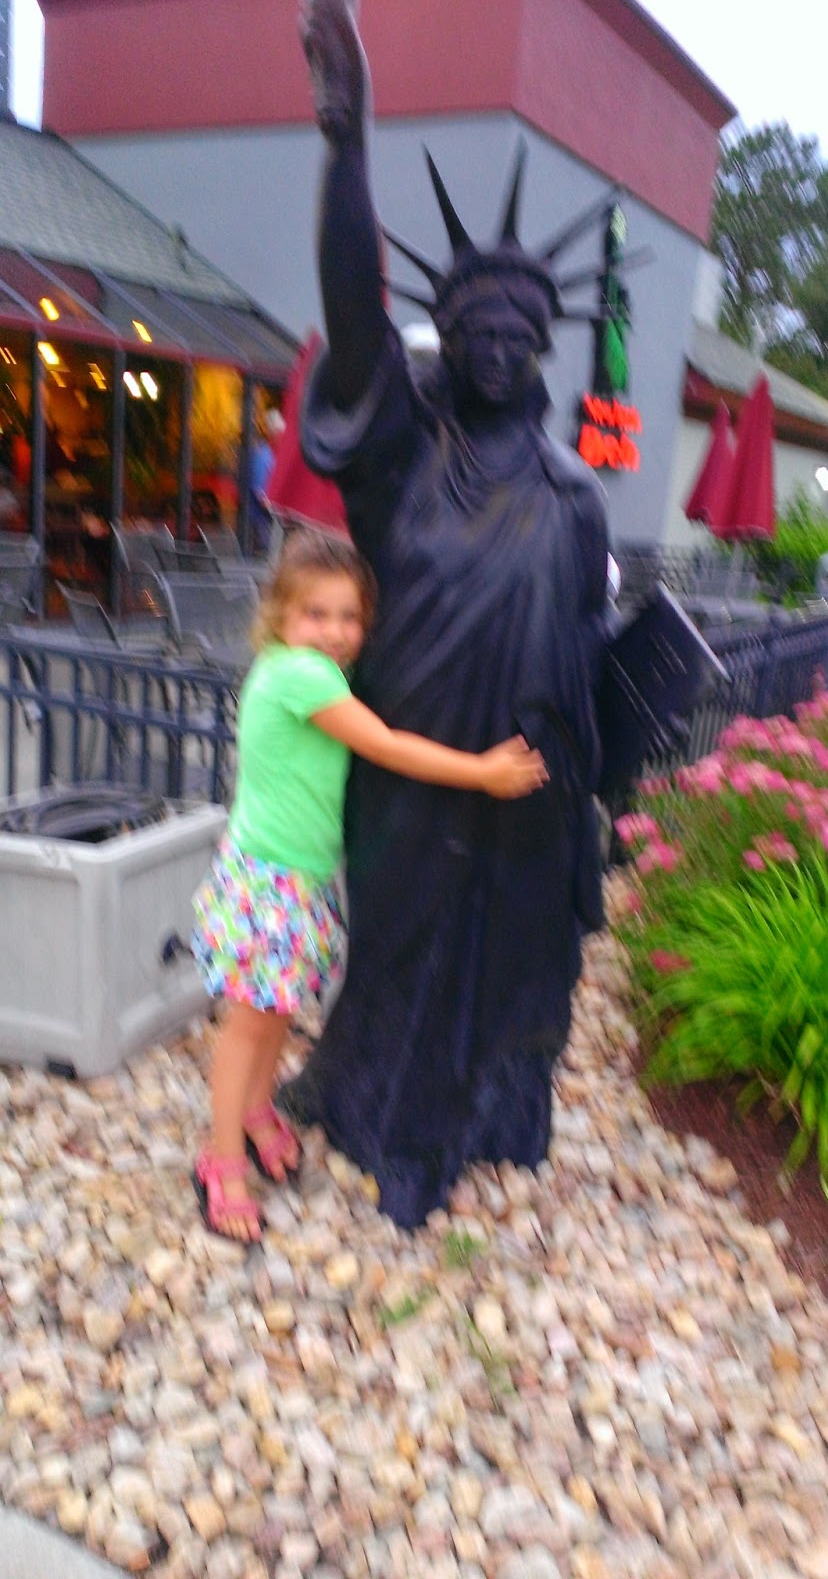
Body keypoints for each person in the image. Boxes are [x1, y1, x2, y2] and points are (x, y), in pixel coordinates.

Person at [275, 0, 616, 1227]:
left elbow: (586, 641)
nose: (498, 347)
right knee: (401, 933)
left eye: (519, 332)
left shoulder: (574, 496)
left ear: (542, 350)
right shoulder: (401, 458)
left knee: (499, 947)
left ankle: (463, 1121)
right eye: (476, 330)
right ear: (450, 344)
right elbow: (352, 310)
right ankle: (376, 1108)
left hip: (527, 777)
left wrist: (591, 766)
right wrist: (346, 136)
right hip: (410, 758)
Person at [190, 526, 546, 1241]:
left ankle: (257, 1110)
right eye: (316, 614)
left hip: (296, 876)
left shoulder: (302, 671)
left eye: (349, 616)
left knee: (276, 1011)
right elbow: (383, 744)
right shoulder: (303, 675)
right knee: (250, 1021)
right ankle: (220, 1156)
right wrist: (482, 772)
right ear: (280, 615)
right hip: (271, 882)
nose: (335, 631)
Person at [249, 408, 286, 554]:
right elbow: (262, 498)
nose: (283, 438)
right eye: (280, 434)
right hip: (263, 524)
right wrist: (283, 511)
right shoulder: (262, 458)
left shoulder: (271, 456)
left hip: (267, 523)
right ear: (273, 434)